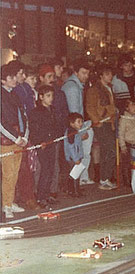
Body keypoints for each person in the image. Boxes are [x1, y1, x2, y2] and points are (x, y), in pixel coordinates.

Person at [39, 63, 70, 200]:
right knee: (41, 165)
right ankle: (40, 192)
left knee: (55, 163)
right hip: (42, 136)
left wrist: (62, 129)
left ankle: (52, 190)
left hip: (56, 134)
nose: (52, 79)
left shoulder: (60, 93)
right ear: (41, 78)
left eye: (53, 76)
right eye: (48, 76)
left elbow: (65, 112)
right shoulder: (38, 94)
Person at [1, 63, 28, 218]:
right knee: (8, 174)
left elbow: (23, 116)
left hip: (18, 138)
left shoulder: (14, 94)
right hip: (6, 140)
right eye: (10, 77)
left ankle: (10, 201)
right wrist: (16, 138)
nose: (14, 79)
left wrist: (24, 136)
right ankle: (6, 205)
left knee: (15, 172)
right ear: (2, 80)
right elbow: (1, 123)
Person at [62, 60, 94, 186]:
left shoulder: (75, 85)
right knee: (80, 153)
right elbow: (74, 110)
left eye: (87, 73)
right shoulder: (73, 88)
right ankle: (78, 180)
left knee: (81, 153)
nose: (86, 76)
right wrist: (81, 130)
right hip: (76, 125)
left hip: (77, 124)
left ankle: (80, 179)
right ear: (76, 72)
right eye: (83, 73)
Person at [85, 64, 117, 190]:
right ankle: (104, 178)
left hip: (109, 122)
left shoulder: (109, 88)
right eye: (107, 74)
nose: (110, 76)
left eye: (111, 74)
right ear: (101, 76)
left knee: (107, 150)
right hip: (102, 123)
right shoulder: (94, 90)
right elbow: (90, 107)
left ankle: (105, 178)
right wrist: (97, 120)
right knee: (110, 149)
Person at [13, 65, 40, 211]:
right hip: (13, 135)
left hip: (24, 133)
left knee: (25, 168)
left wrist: (26, 134)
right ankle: (16, 198)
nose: (23, 77)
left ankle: (28, 197)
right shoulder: (14, 91)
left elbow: (26, 114)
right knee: (16, 169)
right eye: (20, 73)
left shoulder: (25, 89)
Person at [29, 85, 60, 209]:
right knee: (45, 170)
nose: (51, 98)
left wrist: (57, 136)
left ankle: (47, 195)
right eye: (48, 96)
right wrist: (39, 141)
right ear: (41, 97)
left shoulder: (52, 109)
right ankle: (40, 197)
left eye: (52, 95)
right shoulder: (36, 112)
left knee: (51, 169)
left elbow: (55, 126)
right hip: (42, 145)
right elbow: (33, 129)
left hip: (52, 143)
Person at [118, 99, 135, 187]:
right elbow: (121, 134)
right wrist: (123, 146)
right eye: (132, 106)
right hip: (128, 143)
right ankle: (126, 180)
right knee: (126, 163)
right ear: (127, 108)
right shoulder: (124, 119)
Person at [64, 113, 85, 197]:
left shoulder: (75, 131)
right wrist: (76, 158)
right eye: (78, 122)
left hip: (76, 156)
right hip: (73, 157)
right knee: (74, 175)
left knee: (76, 174)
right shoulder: (71, 132)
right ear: (72, 123)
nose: (81, 124)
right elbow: (71, 146)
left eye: (82, 122)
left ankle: (73, 189)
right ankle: (74, 191)